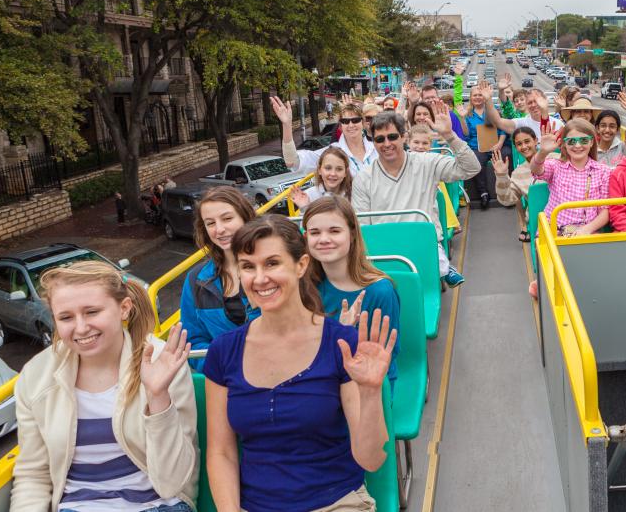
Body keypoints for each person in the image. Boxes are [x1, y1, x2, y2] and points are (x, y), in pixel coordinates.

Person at [204, 215, 393, 512]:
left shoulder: (341, 344)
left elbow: (371, 459)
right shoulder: (224, 351)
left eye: (272, 263)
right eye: (248, 267)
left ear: (301, 265)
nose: (259, 278)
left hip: (335, 502)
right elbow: (221, 452)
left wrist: (370, 391)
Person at [12, 260, 197, 511]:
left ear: (124, 308)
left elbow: (174, 482)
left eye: (92, 312)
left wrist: (158, 397)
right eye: (66, 317)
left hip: (158, 504)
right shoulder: (36, 377)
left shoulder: (163, 362)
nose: (81, 327)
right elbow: (33, 475)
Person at [352, 107, 479, 287]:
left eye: (392, 137)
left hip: (422, 248)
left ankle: (443, 268)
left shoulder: (427, 162)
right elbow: (362, 226)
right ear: (373, 142)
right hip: (386, 253)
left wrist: (450, 135)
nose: (386, 143)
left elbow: (471, 168)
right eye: (380, 139)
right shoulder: (364, 178)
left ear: (404, 136)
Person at [303, 196, 401, 388]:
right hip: (318, 380)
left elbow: (382, 359)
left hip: (366, 384)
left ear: (352, 234)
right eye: (315, 232)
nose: (324, 239)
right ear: (306, 238)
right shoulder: (304, 286)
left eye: (334, 231)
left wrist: (342, 335)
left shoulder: (380, 292)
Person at [180, 186, 258, 371]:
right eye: (210, 223)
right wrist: (223, 366)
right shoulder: (196, 280)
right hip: (227, 381)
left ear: (245, 217)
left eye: (227, 218)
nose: (220, 229)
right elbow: (193, 340)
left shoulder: (273, 267)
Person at [530, 118, 611, 237]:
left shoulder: (603, 171)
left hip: (586, 232)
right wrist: (542, 152)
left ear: (591, 142)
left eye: (583, 140)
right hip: (554, 231)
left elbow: (605, 210)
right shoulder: (556, 166)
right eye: (571, 141)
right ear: (564, 144)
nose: (577, 145)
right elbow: (536, 169)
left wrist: (586, 229)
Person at [272, 95, 377, 178]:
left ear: (362, 122)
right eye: (345, 121)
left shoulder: (376, 148)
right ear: (340, 126)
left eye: (355, 120)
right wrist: (287, 125)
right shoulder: (331, 152)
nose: (351, 125)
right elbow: (292, 162)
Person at [491, 127, 544, 242]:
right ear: (516, 148)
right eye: (519, 144)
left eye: (527, 141)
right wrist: (501, 176)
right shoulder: (518, 173)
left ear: (535, 141)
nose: (524, 147)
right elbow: (507, 200)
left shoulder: (554, 160)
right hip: (539, 225)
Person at [463, 80, 505, 210]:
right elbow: (467, 135)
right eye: (474, 95)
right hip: (477, 147)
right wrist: (462, 119)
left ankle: (505, 192)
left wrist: (499, 144)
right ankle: (484, 193)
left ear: (485, 97)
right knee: (476, 160)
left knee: (506, 155)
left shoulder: (492, 111)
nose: (477, 97)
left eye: (480, 95)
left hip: (495, 145)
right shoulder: (468, 115)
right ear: (470, 98)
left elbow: (502, 128)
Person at [478, 83, 563, 139]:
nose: (533, 105)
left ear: (546, 100)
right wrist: (488, 99)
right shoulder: (521, 123)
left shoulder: (558, 124)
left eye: (537, 101)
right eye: (530, 103)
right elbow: (498, 122)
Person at [289, 147, 354, 211]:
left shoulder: (354, 194)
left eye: (339, 169)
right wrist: (305, 208)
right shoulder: (308, 196)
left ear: (345, 172)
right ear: (319, 170)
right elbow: (305, 221)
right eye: (328, 168)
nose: (333, 173)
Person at [595, 92, 626, 167]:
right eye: (603, 125)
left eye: (612, 126)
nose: (607, 130)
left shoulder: (623, 148)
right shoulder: (591, 151)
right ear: (597, 128)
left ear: (617, 129)